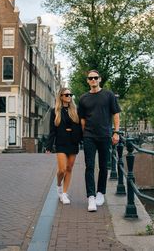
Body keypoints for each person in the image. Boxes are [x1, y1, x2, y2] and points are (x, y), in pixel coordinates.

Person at [78, 70, 121, 212]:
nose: (93, 80)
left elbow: (116, 114)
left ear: (100, 79)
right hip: (89, 136)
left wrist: (116, 132)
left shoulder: (108, 95)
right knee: (89, 166)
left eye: (95, 78)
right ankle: (90, 197)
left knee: (103, 166)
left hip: (105, 135)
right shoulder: (83, 98)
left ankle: (100, 193)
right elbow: (82, 119)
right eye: (90, 78)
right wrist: (84, 133)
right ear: (87, 81)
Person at [46, 87, 82, 204]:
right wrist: (49, 146)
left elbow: (81, 127)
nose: (69, 97)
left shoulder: (75, 111)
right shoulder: (55, 111)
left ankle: (64, 194)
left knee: (69, 168)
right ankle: (58, 185)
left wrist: (81, 140)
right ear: (61, 96)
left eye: (70, 95)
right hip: (61, 142)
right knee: (62, 169)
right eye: (66, 95)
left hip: (73, 142)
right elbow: (52, 131)